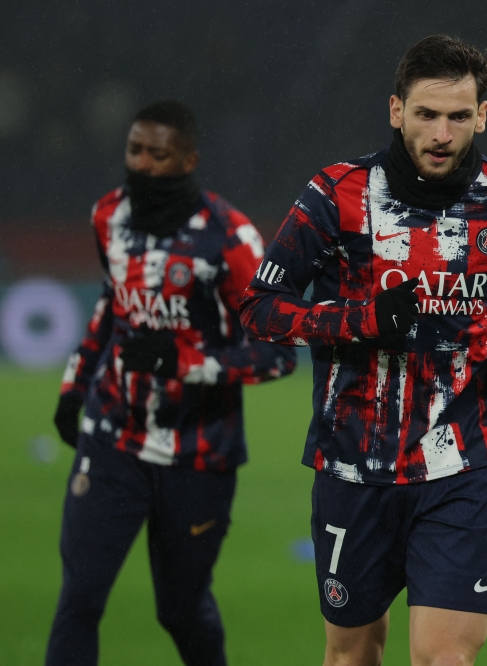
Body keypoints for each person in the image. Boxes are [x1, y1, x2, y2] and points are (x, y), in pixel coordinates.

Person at [239, 35, 487, 666]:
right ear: (396, 110)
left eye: (459, 116)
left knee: (444, 657)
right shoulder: (336, 194)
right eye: (426, 114)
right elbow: (259, 309)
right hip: (354, 462)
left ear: (482, 116)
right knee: (352, 654)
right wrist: (362, 320)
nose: (442, 132)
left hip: (466, 457)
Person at [48, 100, 297, 666]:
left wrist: (185, 363)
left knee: (180, 609)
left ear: (188, 161)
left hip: (197, 453)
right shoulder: (107, 214)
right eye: (135, 150)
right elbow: (111, 308)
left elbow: (278, 352)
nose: (142, 164)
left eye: (157, 155)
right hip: (111, 438)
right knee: (80, 598)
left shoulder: (230, 239)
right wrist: (73, 385)